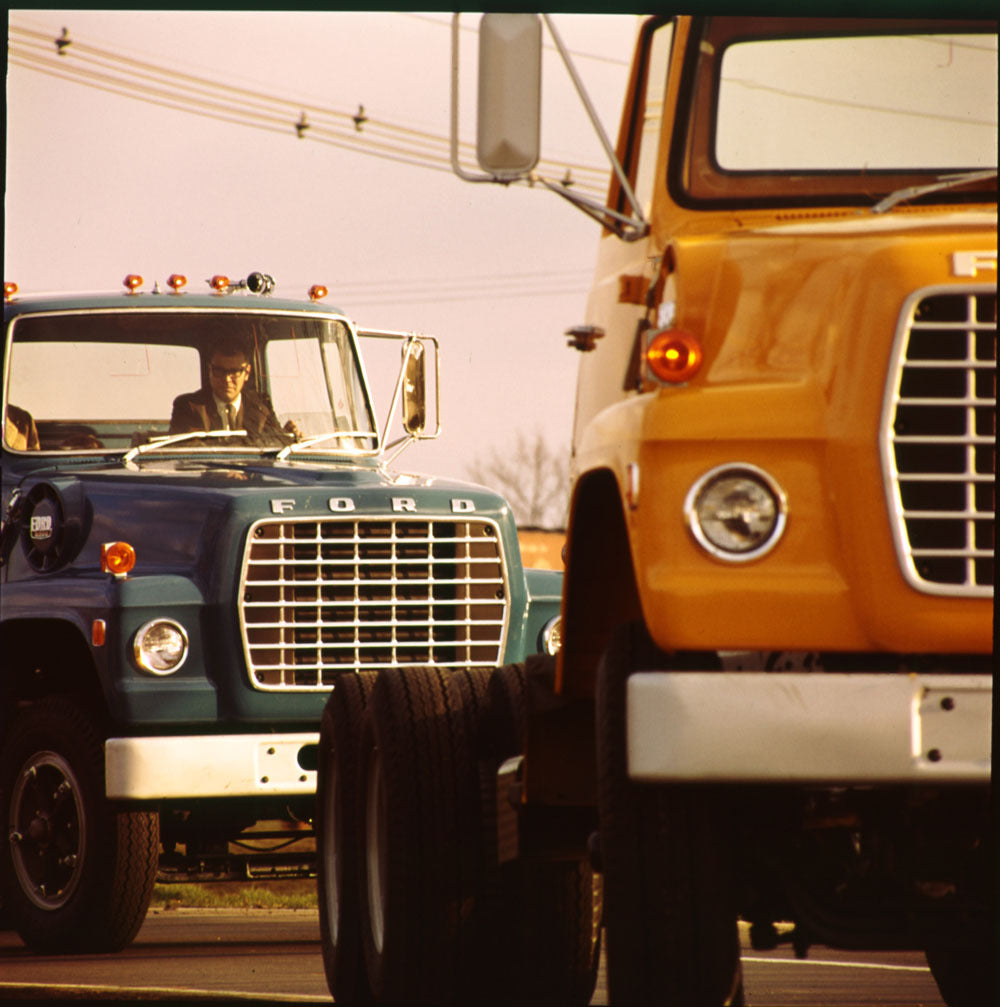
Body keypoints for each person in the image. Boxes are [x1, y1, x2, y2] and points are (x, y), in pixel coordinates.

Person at [170, 339, 299, 442]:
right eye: (219, 371)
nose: (227, 379)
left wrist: (289, 437)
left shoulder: (261, 407)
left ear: (247, 373)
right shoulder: (189, 406)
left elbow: (272, 444)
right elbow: (190, 450)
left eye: (234, 372)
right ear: (210, 370)